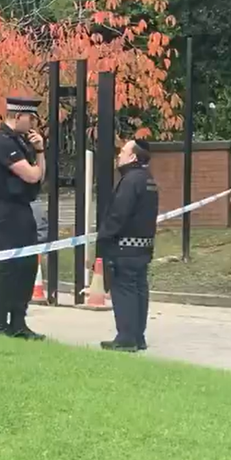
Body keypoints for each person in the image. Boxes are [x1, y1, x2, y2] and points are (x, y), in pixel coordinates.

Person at [0, 96, 46, 340]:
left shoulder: (21, 141)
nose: (33, 124)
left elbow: (40, 175)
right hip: (6, 208)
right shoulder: (1, 141)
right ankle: (0, 324)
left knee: (28, 265)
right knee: (10, 266)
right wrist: (36, 169)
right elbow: (31, 176)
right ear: (17, 116)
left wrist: (40, 150)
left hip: (22, 207)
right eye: (31, 118)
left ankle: (19, 322)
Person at [97, 139, 159, 352]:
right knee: (139, 289)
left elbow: (118, 214)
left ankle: (126, 338)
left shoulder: (130, 181)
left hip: (124, 247)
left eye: (123, 152)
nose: (119, 155)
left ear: (133, 157)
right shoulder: (148, 179)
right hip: (142, 247)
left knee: (124, 290)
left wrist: (104, 237)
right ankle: (137, 336)